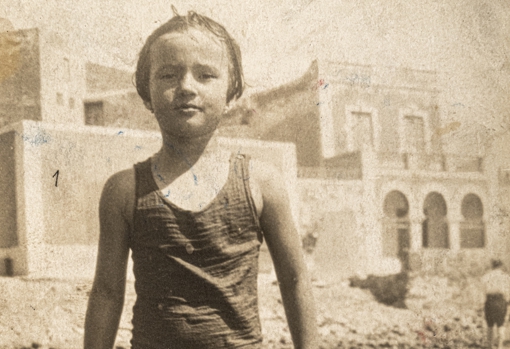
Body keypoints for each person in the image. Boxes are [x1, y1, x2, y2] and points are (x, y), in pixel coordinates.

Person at [83, 10, 318, 349]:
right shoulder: (124, 191)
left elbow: (295, 280)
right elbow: (106, 292)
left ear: (232, 93)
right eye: (168, 74)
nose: (186, 87)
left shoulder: (261, 183)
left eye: (206, 75)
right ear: (146, 94)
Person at [481, 259, 510, 349]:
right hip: (501, 301)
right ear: (501, 266)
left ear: (492, 266)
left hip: (489, 301)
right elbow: (508, 291)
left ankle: (490, 346)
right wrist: (507, 302)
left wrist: (482, 304)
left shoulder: (486, 276)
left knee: (490, 325)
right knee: (501, 325)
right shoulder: (505, 277)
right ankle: (500, 346)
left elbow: (483, 292)